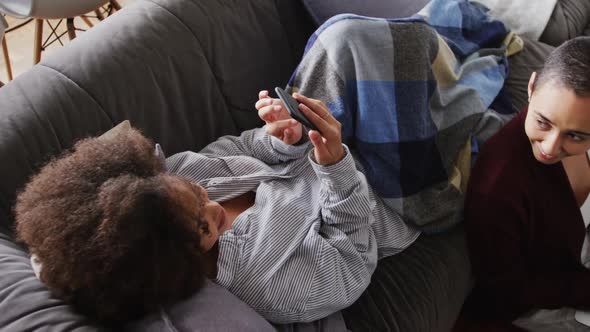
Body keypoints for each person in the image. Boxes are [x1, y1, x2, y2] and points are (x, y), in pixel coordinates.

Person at [15, 91, 420, 325]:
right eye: (203, 228)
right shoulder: (272, 287)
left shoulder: (168, 180)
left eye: (196, 192)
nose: (215, 210)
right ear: (173, 264)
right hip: (386, 189)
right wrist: (335, 168)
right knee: (370, 44)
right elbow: (352, 258)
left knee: (343, 40)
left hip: (332, 131)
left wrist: (278, 137)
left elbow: (238, 149)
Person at [464, 36, 590, 331]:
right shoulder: (497, 190)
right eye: (543, 122)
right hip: (544, 301)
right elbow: (509, 289)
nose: (550, 147)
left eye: (576, 136)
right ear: (531, 88)